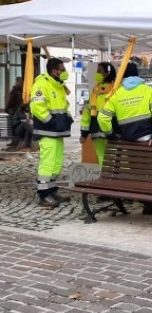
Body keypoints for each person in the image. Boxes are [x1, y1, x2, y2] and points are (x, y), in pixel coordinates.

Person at [98, 62, 152, 215]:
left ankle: (146, 202)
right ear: (138, 75)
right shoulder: (147, 90)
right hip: (149, 141)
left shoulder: (117, 94)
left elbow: (102, 117)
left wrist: (110, 134)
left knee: (137, 172)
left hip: (129, 143)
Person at [30, 58, 73, 208]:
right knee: (47, 162)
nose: (64, 72)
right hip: (47, 130)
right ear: (54, 70)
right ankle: (43, 195)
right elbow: (37, 107)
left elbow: (63, 105)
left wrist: (68, 118)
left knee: (56, 162)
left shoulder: (58, 85)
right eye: (62, 69)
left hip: (58, 131)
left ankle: (52, 190)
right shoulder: (41, 84)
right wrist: (51, 122)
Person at [79, 62, 117, 166]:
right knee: (101, 157)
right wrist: (84, 134)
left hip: (113, 130)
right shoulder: (95, 90)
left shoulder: (117, 89)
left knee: (114, 157)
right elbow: (87, 112)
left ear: (107, 73)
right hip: (97, 130)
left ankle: (113, 180)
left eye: (99, 71)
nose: (97, 73)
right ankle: (104, 179)